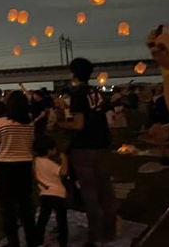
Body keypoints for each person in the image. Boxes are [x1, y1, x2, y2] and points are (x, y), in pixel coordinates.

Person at [58, 58, 117, 247]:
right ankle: (110, 231)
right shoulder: (96, 92)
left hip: (84, 147)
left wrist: (59, 123)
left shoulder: (78, 94)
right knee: (105, 190)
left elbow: (79, 124)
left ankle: (94, 236)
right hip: (101, 145)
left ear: (74, 73)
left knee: (90, 193)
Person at [0, 91, 37, 247]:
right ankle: (31, 241)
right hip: (25, 166)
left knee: (7, 209)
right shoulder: (30, 124)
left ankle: (13, 242)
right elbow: (31, 144)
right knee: (26, 207)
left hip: (5, 167)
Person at [34, 136, 69, 247]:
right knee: (61, 219)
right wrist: (64, 159)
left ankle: (38, 239)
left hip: (45, 193)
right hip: (57, 193)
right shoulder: (50, 164)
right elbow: (63, 172)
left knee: (43, 217)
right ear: (49, 150)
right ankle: (63, 241)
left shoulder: (36, 161)